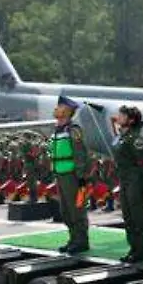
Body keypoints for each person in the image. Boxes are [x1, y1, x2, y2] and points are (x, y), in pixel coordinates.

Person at [111, 105, 143, 263]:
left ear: (131, 120)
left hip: (135, 180)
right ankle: (134, 248)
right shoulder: (122, 137)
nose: (119, 117)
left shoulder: (135, 138)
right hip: (124, 180)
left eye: (122, 115)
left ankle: (142, 250)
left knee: (137, 217)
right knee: (127, 216)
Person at [49, 96, 89, 254]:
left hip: (72, 176)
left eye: (60, 106)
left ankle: (81, 241)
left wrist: (81, 176)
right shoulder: (58, 129)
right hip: (61, 174)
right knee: (65, 210)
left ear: (67, 110)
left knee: (76, 209)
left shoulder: (73, 130)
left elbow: (80, 154)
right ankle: (73, 238)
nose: (56, 109)